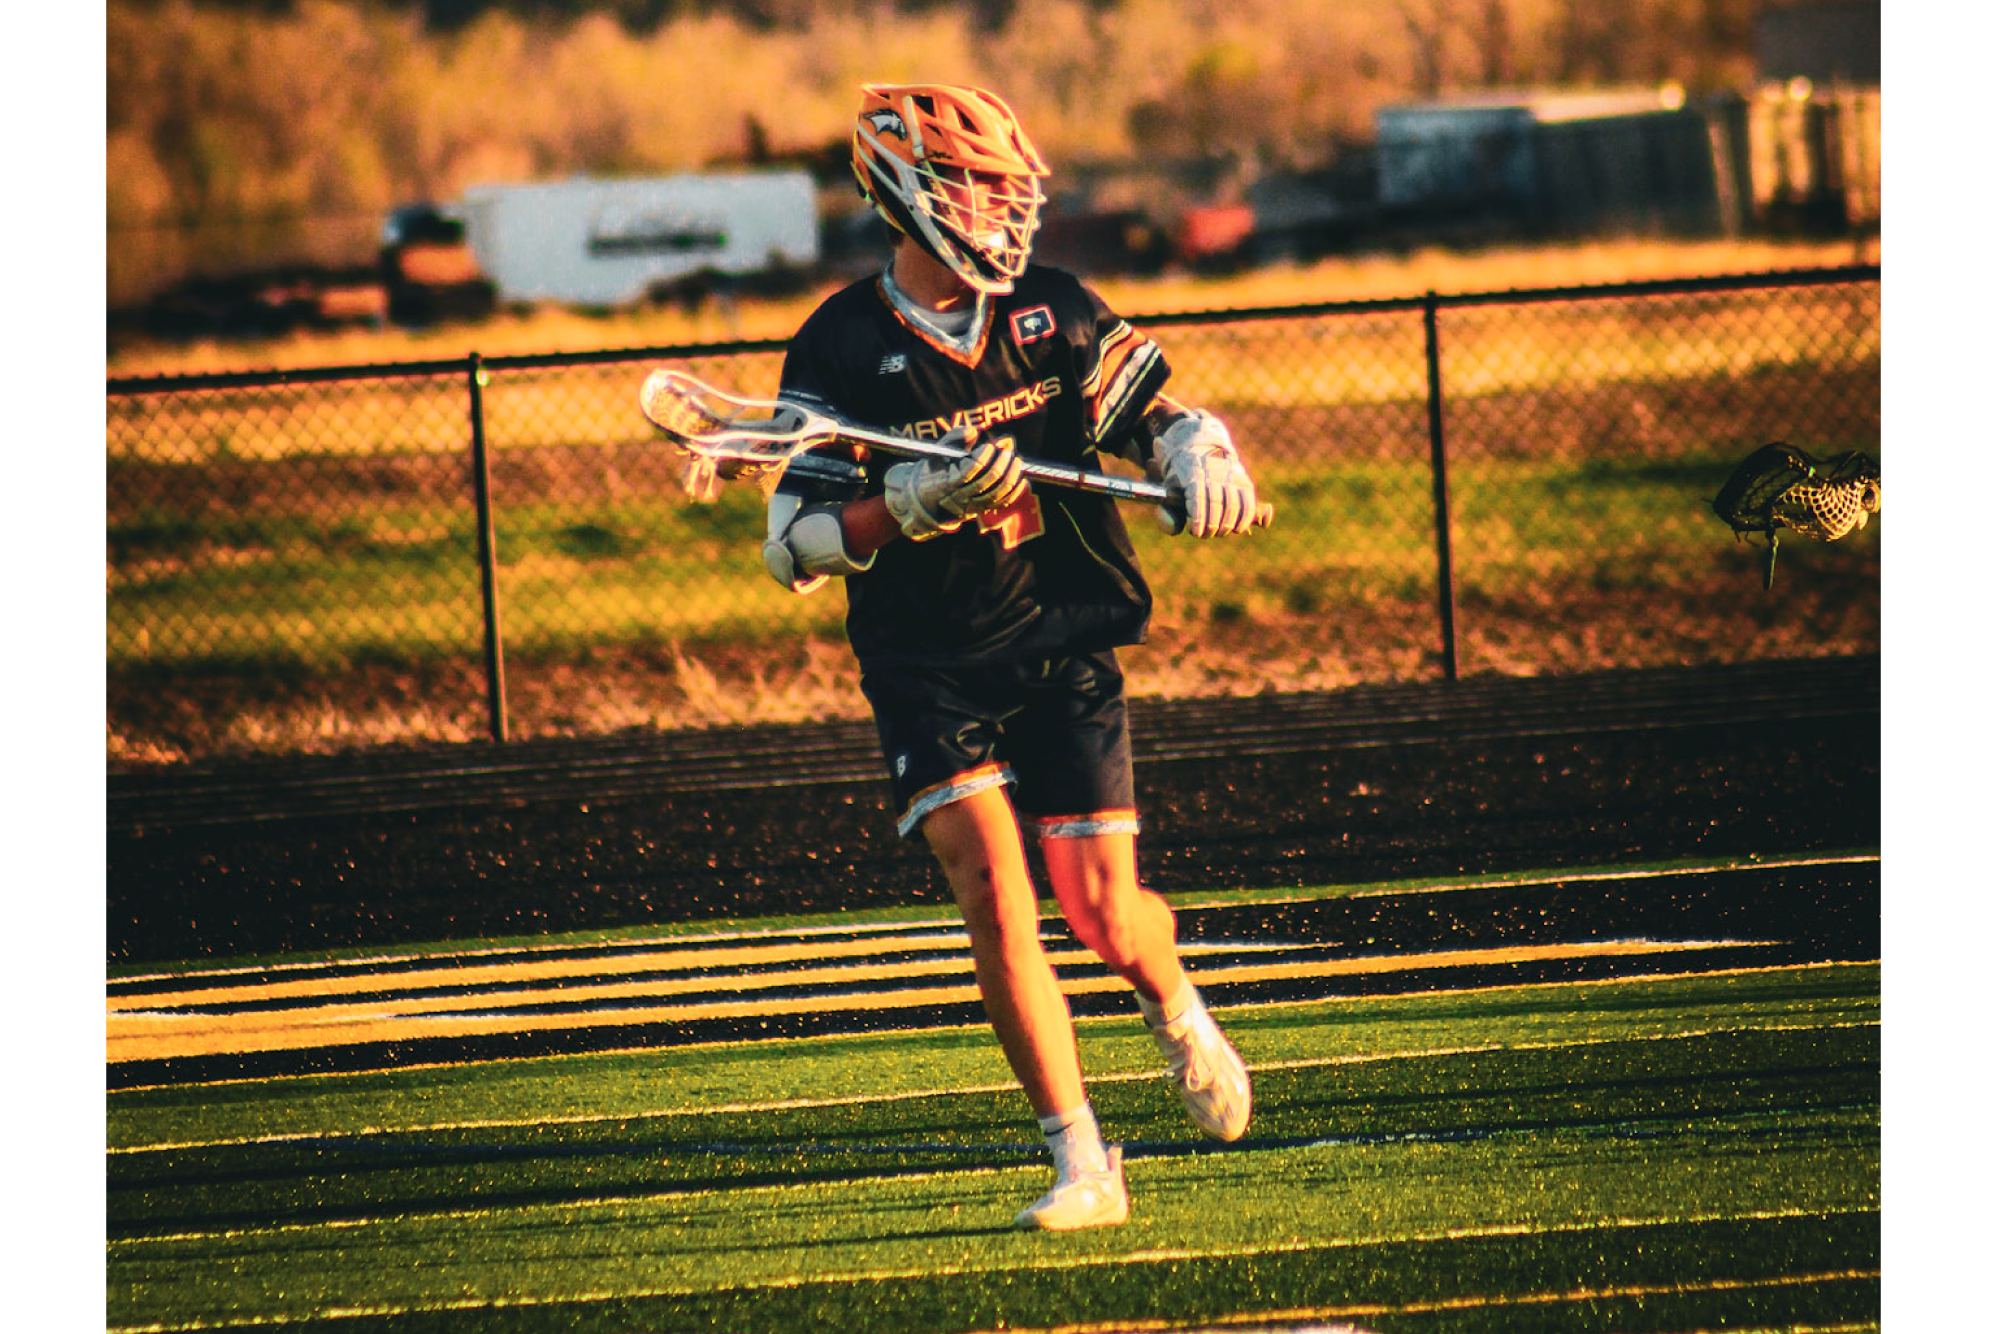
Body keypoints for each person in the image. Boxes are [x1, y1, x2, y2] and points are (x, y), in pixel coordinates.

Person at [760, 82, 1264, 1231]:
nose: (999, 208)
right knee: (992, 886)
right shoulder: (838, 344)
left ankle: (1176, 1003)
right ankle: (1082, 1157)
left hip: (1056, 637)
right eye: (973, 185)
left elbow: (1160, 417)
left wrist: (1202, 452)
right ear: (904, 192)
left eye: (1004, 185)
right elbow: (791, 544)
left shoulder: (1056, 309)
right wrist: (906, 503)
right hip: (926, 661)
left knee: (1103, 912)